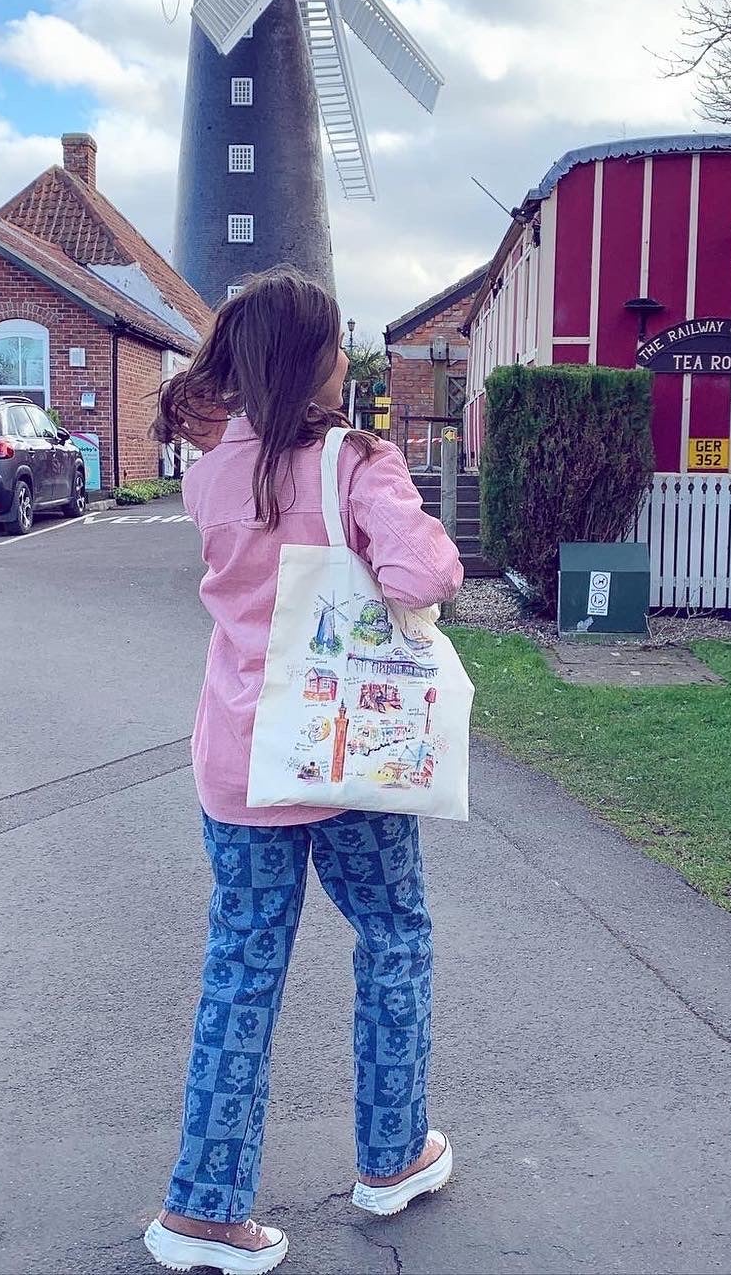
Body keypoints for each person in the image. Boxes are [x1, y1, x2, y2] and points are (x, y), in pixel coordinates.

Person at [142, 266, 464, 1275]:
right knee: (393, 936)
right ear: (316, 357)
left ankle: (202, 1207)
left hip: (241, 760)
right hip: (344, 756)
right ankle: (392, 1154)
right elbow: (424, 576)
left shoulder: (211, 469)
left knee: (241, 971)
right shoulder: (355, 461)